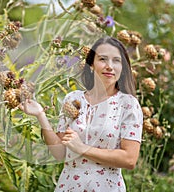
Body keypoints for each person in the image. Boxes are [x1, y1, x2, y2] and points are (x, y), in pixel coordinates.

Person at [19, 36, 143, 192]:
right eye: (103, 59)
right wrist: (40, 116)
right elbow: (60, 154)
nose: (109, 66)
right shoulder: (73, 99)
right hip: (69, 186)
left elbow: (129, 159)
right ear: (91, 64)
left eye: (116, 61)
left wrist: (82, 148)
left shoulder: (128, 105)